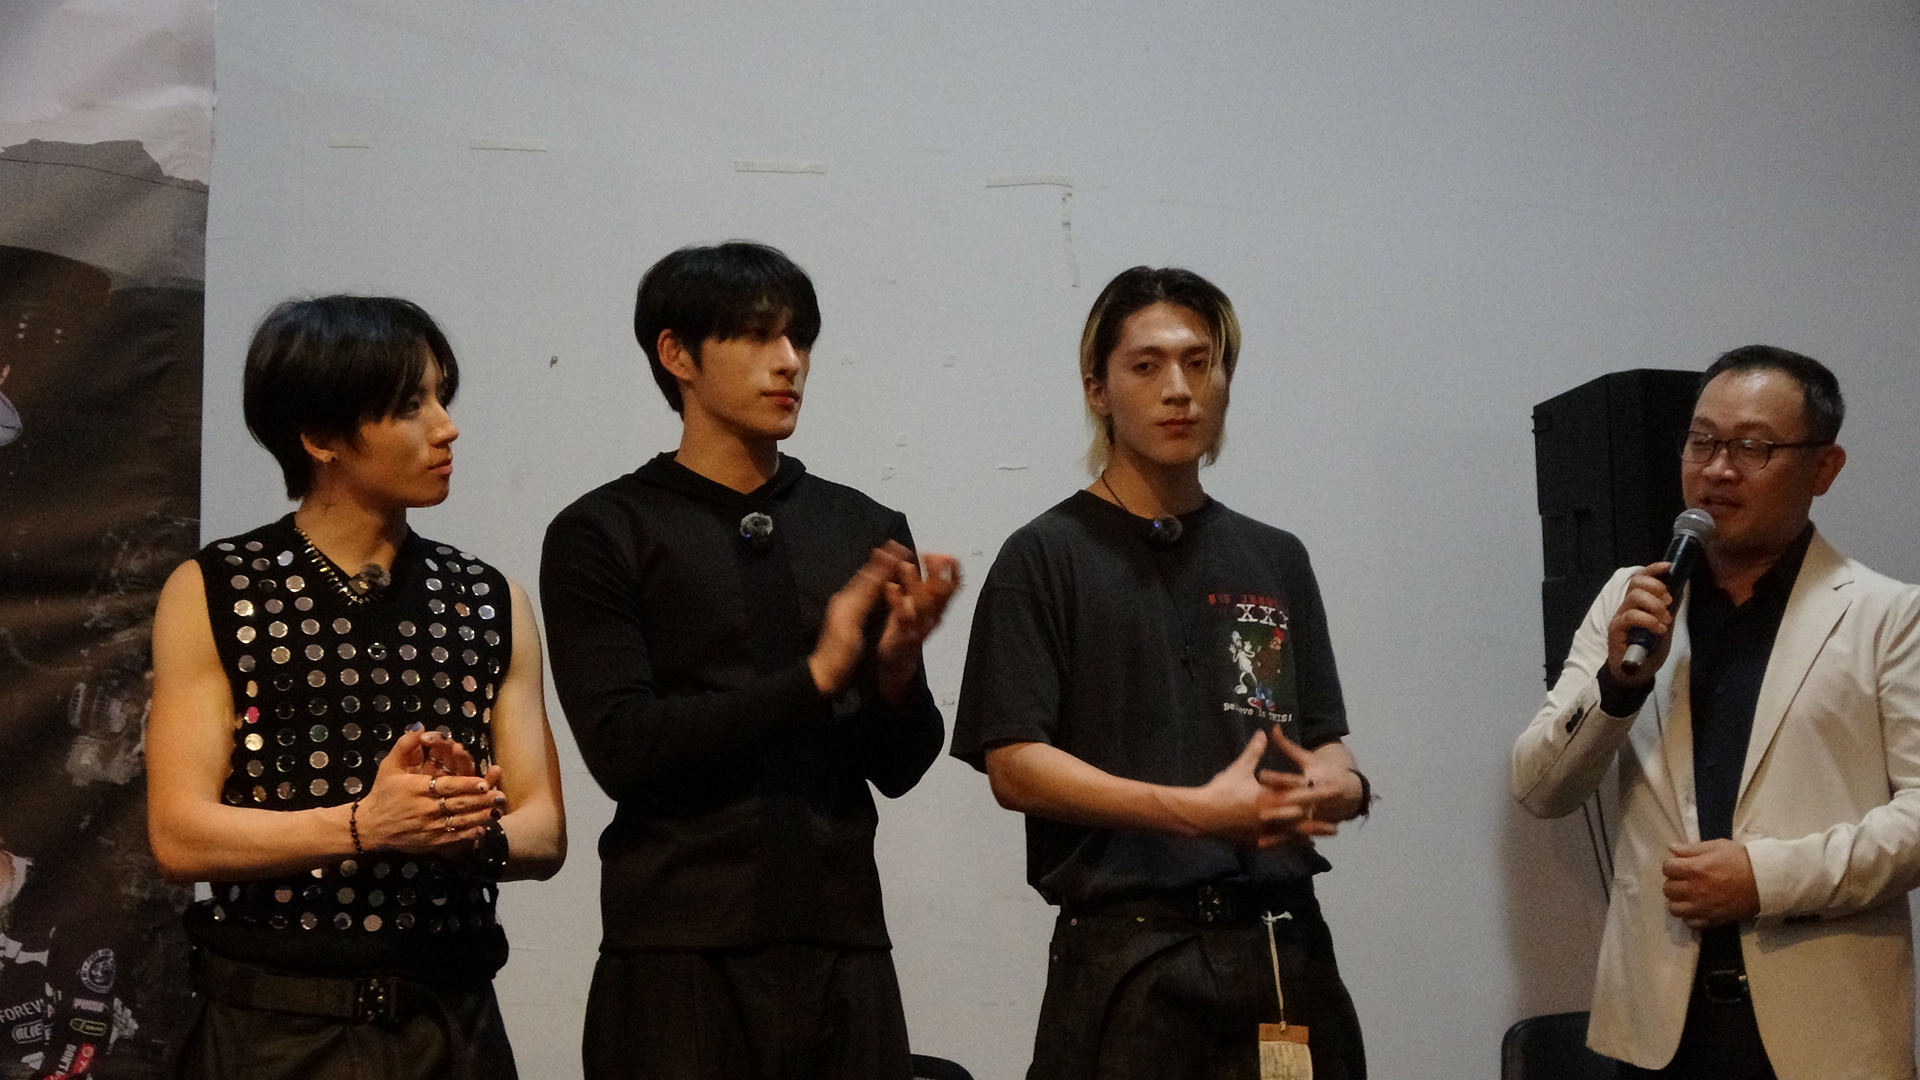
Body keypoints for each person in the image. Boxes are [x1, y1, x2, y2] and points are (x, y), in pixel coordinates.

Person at [540, 241, 959, 1080]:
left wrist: (895, 674)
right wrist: (814, 679)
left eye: (800, 338)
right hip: (676, 949)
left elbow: (903, 765)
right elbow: (623, 747)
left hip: (843, 942)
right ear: (677, 355)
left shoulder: (863, 527)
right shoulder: (603, 531)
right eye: (759, 336)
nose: (790, 361)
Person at [951, 266, 1370, 1080]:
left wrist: (1342, 787)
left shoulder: (1275, 557)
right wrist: (1192, 812)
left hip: (1281, 946)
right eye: (1146, 366)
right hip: (1128, 954)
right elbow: (1015, 765)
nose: (1179, 389)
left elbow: (1318, 737)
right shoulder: (1044, 557)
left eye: (1200, 362)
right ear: (1098, 389)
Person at [147, 295, 567, 1080]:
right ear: (320, 438)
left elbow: (544, 831)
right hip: (273, 1030)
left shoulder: (488, 597)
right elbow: (179, 835)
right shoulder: (220, 589)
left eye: (442, 397)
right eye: (411, 406)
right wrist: (366, 825)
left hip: (453, 1025)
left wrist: (466, 828)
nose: (446, 427)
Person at [1511, 346, 1920, 1080]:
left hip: (1826, 1038)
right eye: (1702, 442)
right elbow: (1540, 788)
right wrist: (1617, 687)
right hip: (1658, 1033)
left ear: (1824, 468)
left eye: (1752, 447)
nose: (1718, 469)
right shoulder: (1631, 599)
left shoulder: (1889, 616)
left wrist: (1765, 877)